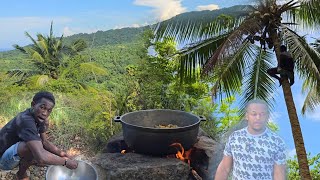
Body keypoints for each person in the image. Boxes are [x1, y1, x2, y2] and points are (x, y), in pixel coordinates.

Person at [0, 91, 78, 180]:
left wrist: (64, 154)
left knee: (37, 145)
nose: (45, 113)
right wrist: (65, 162)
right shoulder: (25, 120)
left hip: (13, 150)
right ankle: (20, 175)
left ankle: (30, 159)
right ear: (33, 104)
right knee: (31, 148)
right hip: (3, 161)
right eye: (42, 107)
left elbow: (45, 142)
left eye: (49, 110)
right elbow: (41, 157)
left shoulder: (39, 118)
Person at [215, 99, 286, 180]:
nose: (258, 117)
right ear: (247, 116)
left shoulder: (277, 142)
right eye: (254, 114)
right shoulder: (235, 137)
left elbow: (279, 174)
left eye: (262, 114)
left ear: (267, 116)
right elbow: (224, 168)